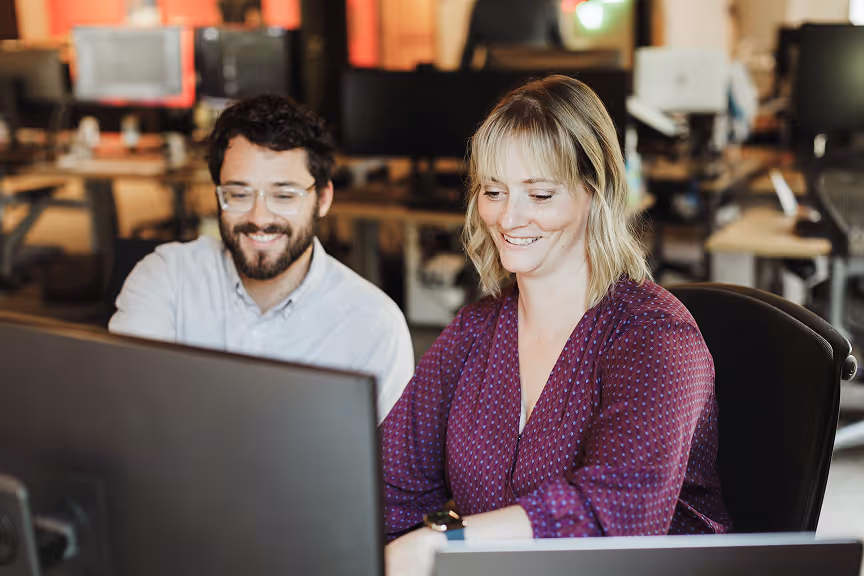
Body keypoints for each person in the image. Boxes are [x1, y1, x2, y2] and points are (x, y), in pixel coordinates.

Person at [382, 75, 730, 575]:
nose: (508, 217)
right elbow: (392, 487)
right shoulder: (475, 330)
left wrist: (446, 538)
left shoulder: (655, 337)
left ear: (596, 193)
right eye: (494, 191)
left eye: (540, 195)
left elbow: (618, 517)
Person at [109, 95, 414, 422]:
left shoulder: (374, 324)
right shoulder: (166, 279)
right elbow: (129, 418)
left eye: (284, 195)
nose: (259, 217)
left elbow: (384, 468)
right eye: (238, 194)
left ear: (323, 199)